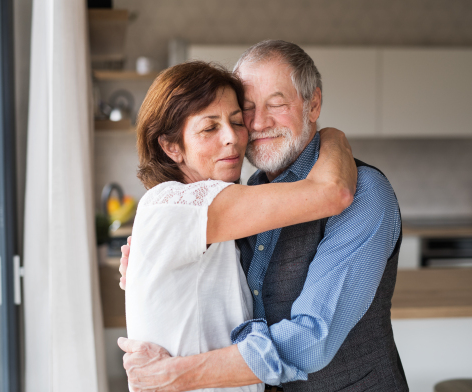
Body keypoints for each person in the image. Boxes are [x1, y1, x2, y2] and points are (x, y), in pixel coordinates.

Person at [119, 40, 408, 392]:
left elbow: (312, 339)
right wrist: (151, 272)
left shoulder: (365, 192)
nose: (257, 124)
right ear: (172, 146)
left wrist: (176, 373)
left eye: (277, 104)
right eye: (247, 110)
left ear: (313, 104)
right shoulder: (243, 193)